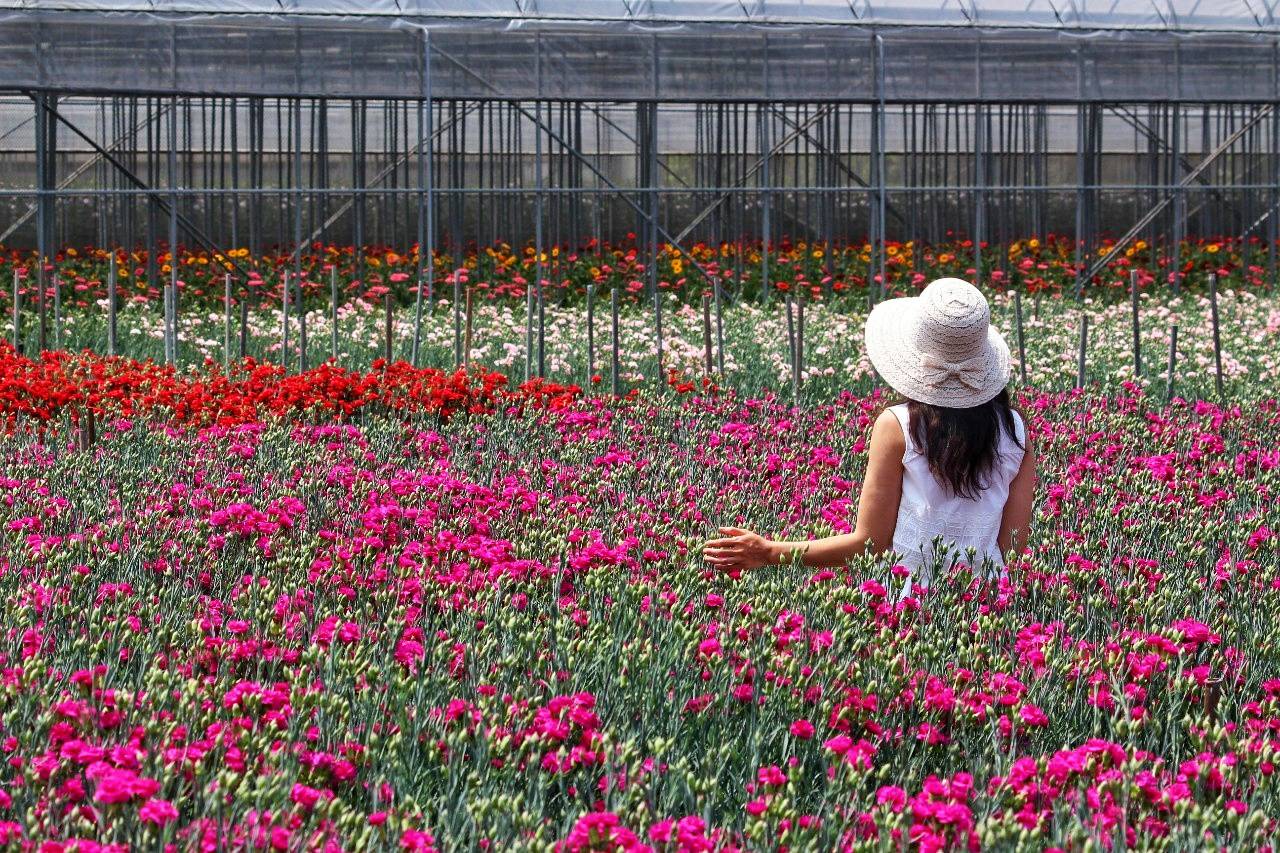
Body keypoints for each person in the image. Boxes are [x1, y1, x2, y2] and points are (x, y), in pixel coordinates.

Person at [702, 277, 1037, 594]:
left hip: (907, 608)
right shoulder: (1016, 430)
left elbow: (869, 544)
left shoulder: (899, 426)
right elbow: (1014, 548)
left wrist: (771, 552)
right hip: (989, 610)